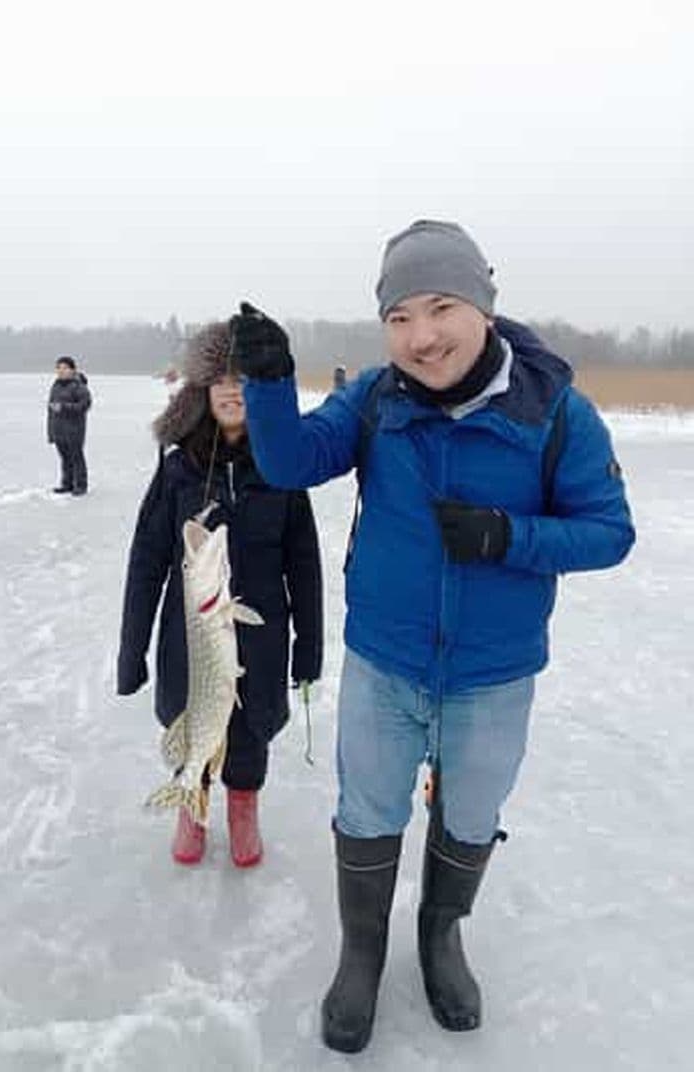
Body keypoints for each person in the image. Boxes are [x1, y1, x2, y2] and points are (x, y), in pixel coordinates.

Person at [228, 219, 635, 1051]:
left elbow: (609, 530)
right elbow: (289, 461)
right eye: (400, 317)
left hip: (494, 673)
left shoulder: (555, 414)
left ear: (483, 304)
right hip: (387, 662)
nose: (421, 336)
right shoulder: (375, 401)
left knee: (473, 812)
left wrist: (508, 537)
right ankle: (362, 954)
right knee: (369, 808)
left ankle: (441, 935)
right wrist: (270, 384)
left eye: (440, 307)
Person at [116, 322, 323, 868]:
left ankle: (243, 808)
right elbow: (145, 565)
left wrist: (309, 647)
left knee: (251, 729)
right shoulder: (178, 469)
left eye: (245, 380)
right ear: (202, 392)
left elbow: (304, 566)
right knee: (193, 718)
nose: (233, 391)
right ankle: (193, 800)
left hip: (262, 633)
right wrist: (131, 650)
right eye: (221, 380)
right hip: (192, 636)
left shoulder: (283, 470)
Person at [47, 356, 91, 495]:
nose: (61, 371)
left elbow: (84, 405)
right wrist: (51, 432)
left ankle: (81, 486)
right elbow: (51, 411)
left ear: (72, 370)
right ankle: (67, 484)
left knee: (76, 458)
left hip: (74, 430)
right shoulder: (56, 385)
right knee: (65, 459)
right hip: (59, 429)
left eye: (65, 368)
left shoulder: (79, 386)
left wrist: (64, 407)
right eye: (59, 368)